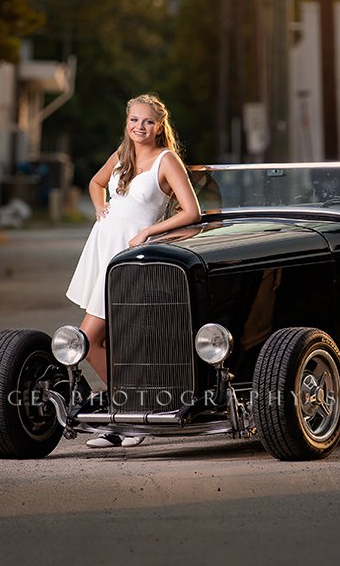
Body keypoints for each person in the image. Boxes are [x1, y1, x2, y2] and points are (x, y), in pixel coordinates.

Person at [65, 93, 201, 448]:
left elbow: (191, 212)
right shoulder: (122, 156)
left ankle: (132, 416)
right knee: (106, 341)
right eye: (134, 120)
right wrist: (101, 209)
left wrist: (148, 232)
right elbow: (96, 183)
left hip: (131, 257)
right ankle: (125, 418)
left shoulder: (166, 161)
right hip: (102, 249)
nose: (139, 127)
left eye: (147, 122)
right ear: (126, 123)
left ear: (159, 127)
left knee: (89, 339)